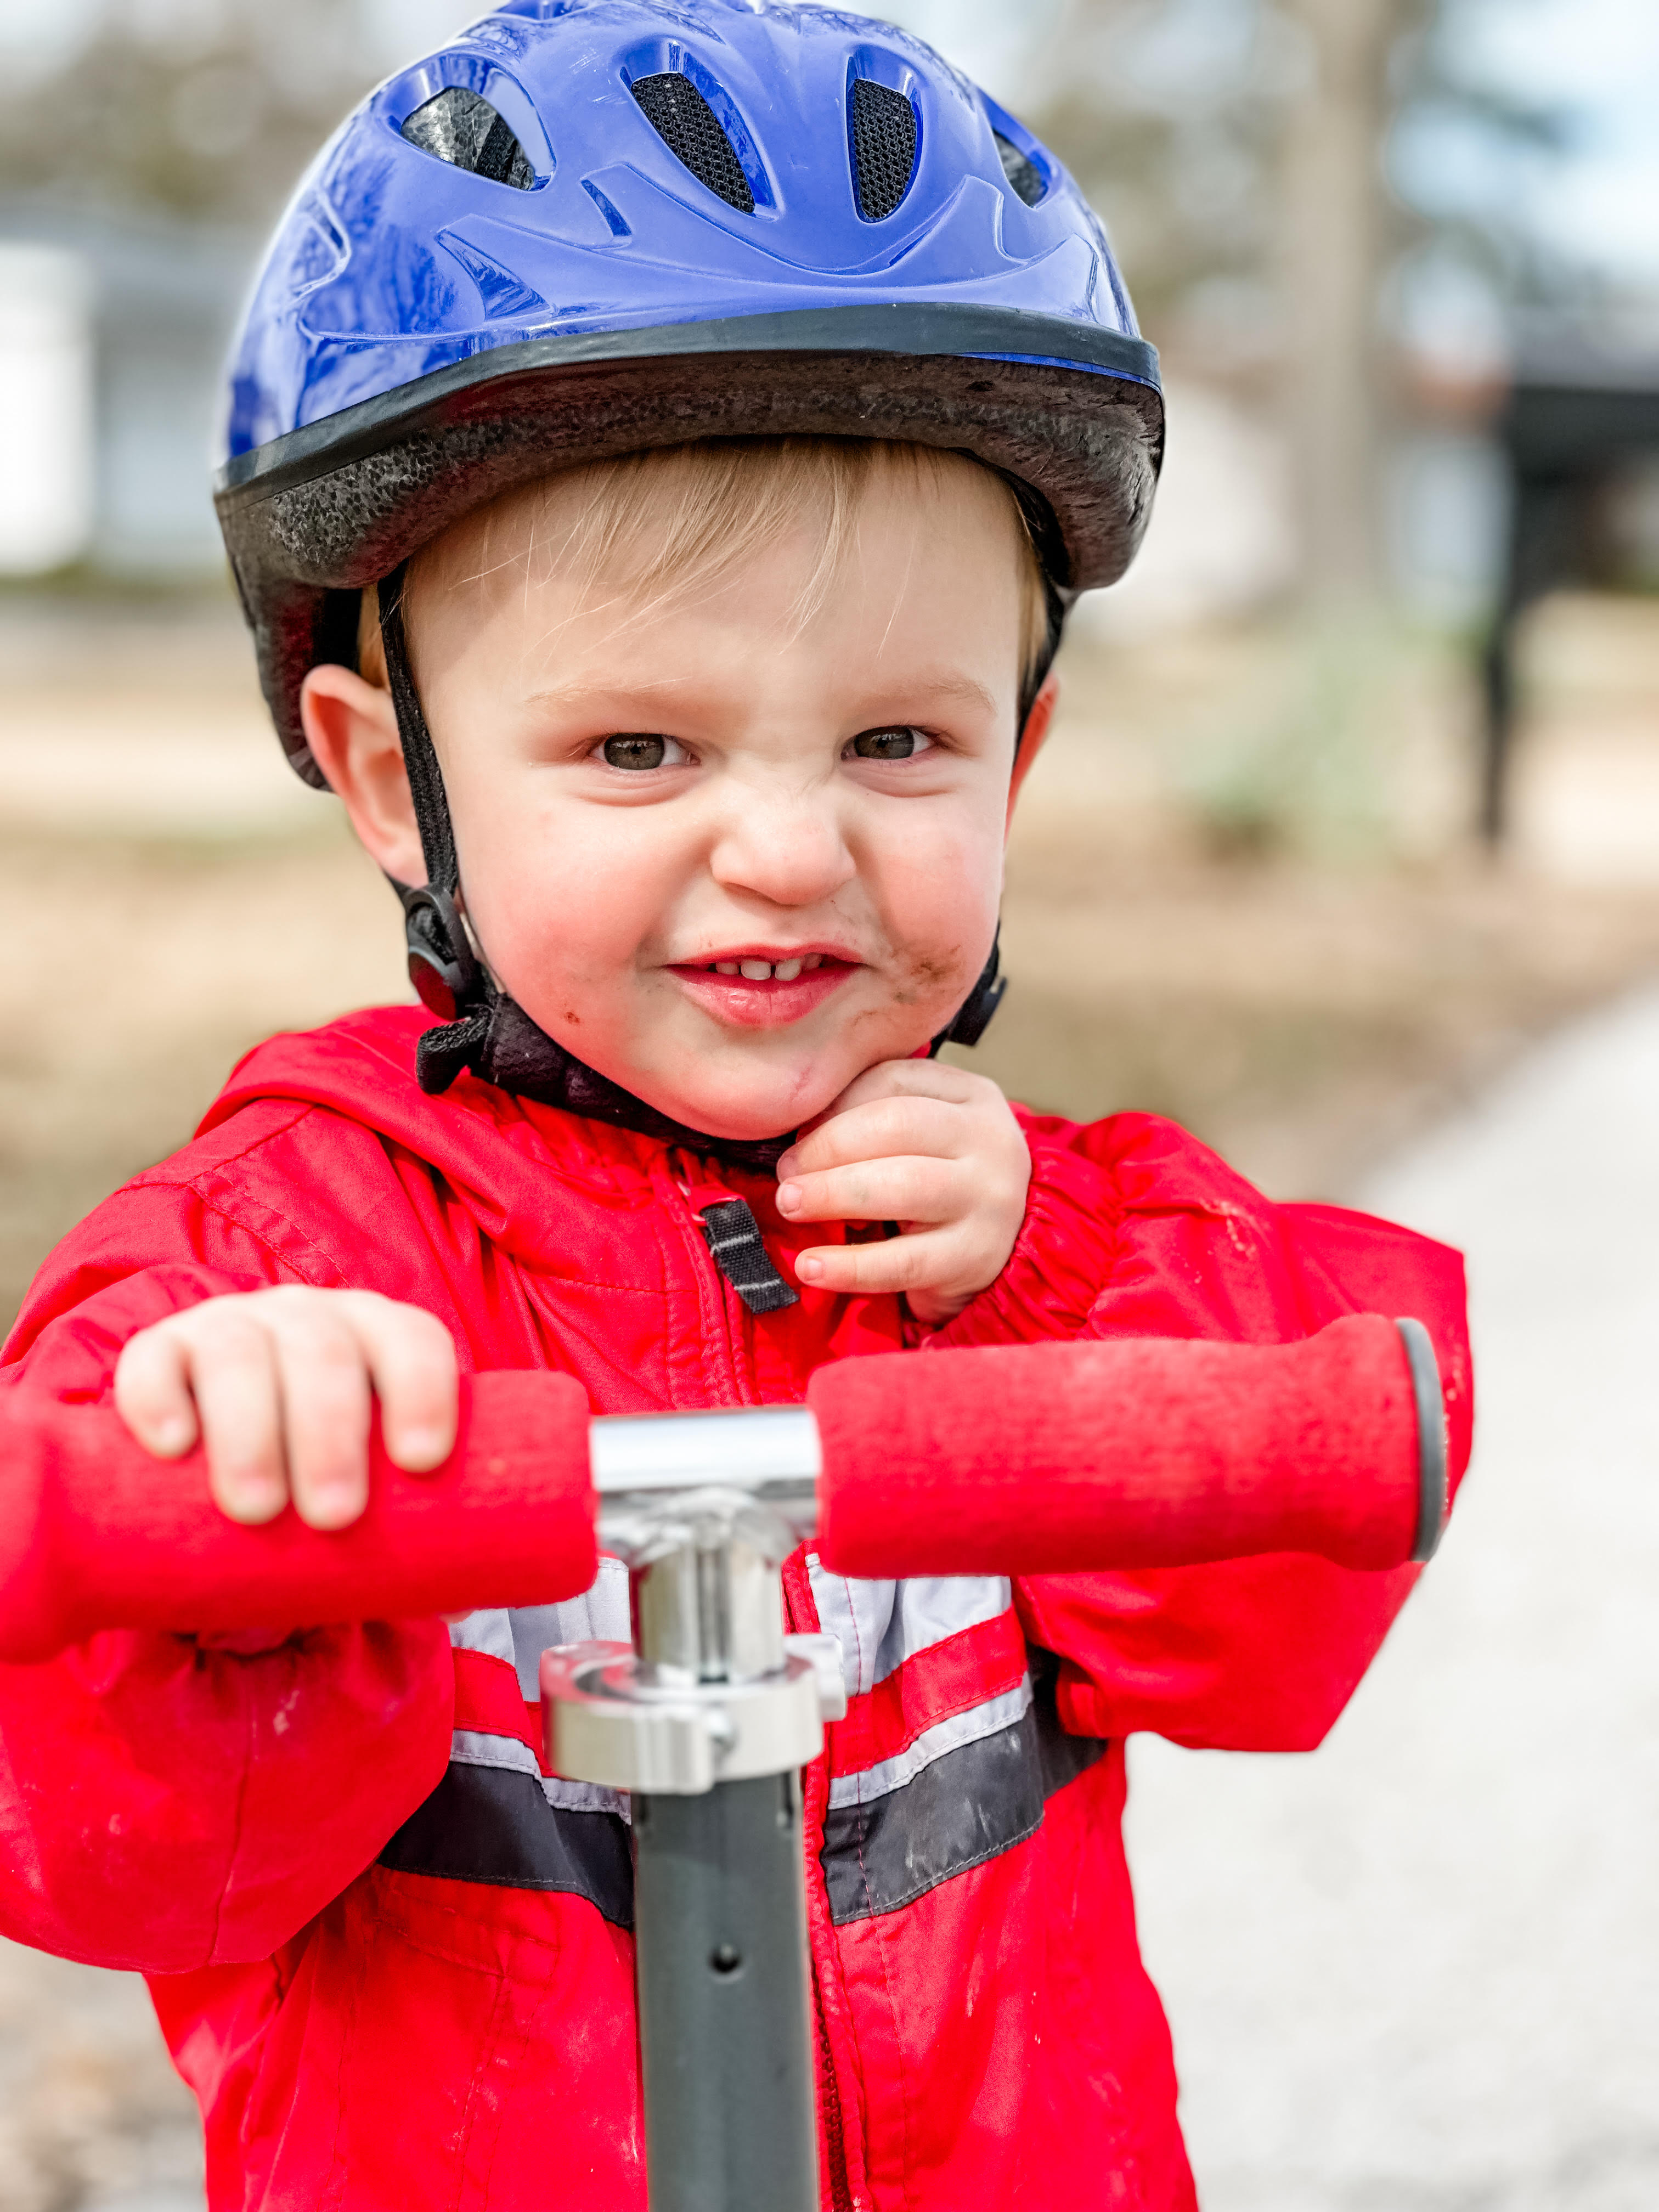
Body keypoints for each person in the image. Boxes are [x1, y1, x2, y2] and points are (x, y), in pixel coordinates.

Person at [0, 5, 1473, 2208]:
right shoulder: (284, 1261)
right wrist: (223, 1497)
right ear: (396, 784)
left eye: (897, 745)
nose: (787, 852)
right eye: (639, 751)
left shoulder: (1023, 1235)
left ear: (1017, 763)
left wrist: (1046, 1286)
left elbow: (1292, 1570)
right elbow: (121, 1848)